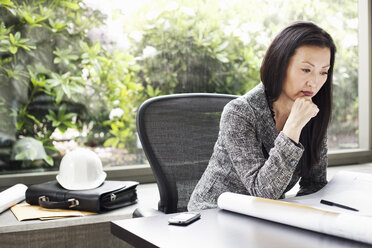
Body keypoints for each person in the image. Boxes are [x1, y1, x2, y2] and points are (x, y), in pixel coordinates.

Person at [188, 21, 336, 211]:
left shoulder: (311, 113)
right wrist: (293, 127)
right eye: (306, 70)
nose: (314, 82)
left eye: (323, 72)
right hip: (214, 214)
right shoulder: (240, 112)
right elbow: (262, 192)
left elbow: (315, 186)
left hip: (265, 217)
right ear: (280, 64)